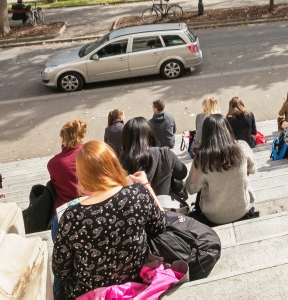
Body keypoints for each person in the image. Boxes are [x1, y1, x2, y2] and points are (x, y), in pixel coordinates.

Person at [51, 141, 166, 300]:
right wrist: (146, 185)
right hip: (135, 283)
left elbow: (60, 270)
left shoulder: (72, 216)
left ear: (82, 175)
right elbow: (160, 225)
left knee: (55, 226)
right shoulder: (138, 193)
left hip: (90, 294)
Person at [186, 114, 257, 226]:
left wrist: (197, 165)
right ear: (228, 128)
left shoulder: (201, 159)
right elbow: (253, 169)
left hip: (213, 216)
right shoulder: (242, 147)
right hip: (243, 209)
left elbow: (190, 188)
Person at [120, 117, 188, 199]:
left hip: (138, 209)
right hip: (165, 207)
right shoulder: (165, 154)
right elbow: (182, 173)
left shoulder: (120, 163)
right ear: (150, 134)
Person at [48, 120, 87, 208]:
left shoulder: (53, 164)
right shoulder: (91, 152)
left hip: (67, 209)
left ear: (62, 139)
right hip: (94, 201)